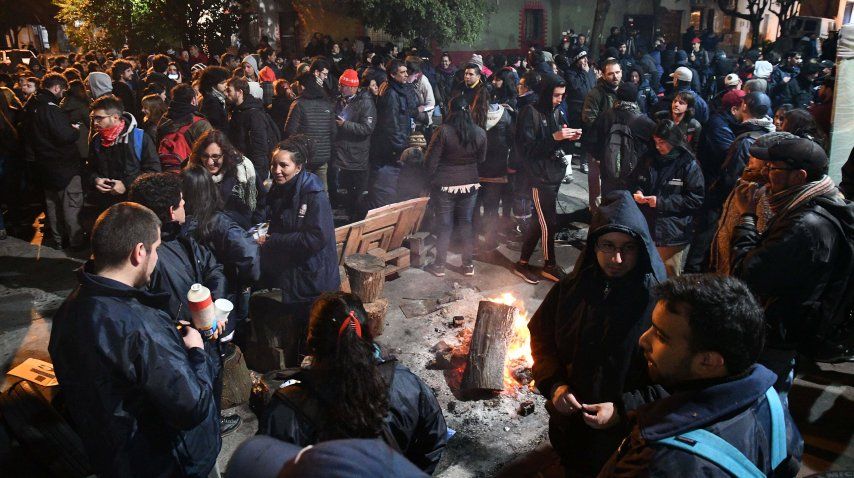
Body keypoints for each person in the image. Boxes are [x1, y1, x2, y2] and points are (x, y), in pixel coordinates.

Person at [48, 202, 221, 477]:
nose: (157, 258)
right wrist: (197, 352)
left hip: (111, 458)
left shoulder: (68, 310)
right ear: (140, 252)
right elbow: (191, 406)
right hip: (166, 463)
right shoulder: (140, 324)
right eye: (157, 248)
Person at [591, 275, 803, 477]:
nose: (643, 340)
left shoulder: (660, 463)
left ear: (707, 362)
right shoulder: (771, 404)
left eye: (661, 336)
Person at [529, 190, 666, 477]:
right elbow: (542, 341)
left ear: (641, 248)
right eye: (607, 245)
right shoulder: (570, 289)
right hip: (570, 425)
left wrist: (622, 409)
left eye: (627, 247)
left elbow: (672, 382)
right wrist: (555, 385)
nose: (616, 258)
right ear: (593, 245)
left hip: (626, 438)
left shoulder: (659, 306)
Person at [257, 292, 448, 474]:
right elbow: (433, 441)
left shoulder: (287, 411)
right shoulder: (407, 385)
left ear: (311, 341)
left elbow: (264, 469)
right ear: (368, 333)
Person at [729, 136, 854, 387]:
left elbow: (748, 273)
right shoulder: (821, 203)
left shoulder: (805, 224)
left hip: (780, 329)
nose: (765, 173)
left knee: (764, 390)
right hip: (794, 325)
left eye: (774, 169)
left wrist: (747, 218)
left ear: (799, 176)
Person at [257, 135, 340, 365]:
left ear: (298, 167)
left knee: (313, 330)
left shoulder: (313, 195)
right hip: (294, 274)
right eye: (274, 164)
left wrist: (272, 241)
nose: (277, 170)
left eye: (284, 165)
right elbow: (269, 214)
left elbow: (315, 237)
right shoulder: (279, 189)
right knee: (298, 327)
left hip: (313, 276)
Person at [515, 74, 582, 284]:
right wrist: (554, 138)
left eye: (562, 95)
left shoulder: (558, 111)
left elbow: (558, 142)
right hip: (538, 178)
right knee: (548, 223)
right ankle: (549, 265)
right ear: (545, 94)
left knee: (539, 222)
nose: (560, 99)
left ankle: (523, 263)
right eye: (556, 95)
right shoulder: (529, 113)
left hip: (553, 175)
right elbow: (526, 149)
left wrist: (569, 137)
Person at [181, 164, 260, 338]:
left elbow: (249, 253)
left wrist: (242, 280)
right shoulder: (212, 221)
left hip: (216, 298)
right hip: (213, 297)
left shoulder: (217, 223)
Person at [423, 95, 487, 277]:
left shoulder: (443, 131)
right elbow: (481, 158)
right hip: (470, 184)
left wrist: (428, 180)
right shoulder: (480, 132)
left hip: (445, 185)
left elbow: (430, 162)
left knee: (445, 225)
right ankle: (467, 265)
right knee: (466, 223)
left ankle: (439, 266)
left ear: (450, 111)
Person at [630, 120, 704, 277]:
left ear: (673, 141)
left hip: (672, 233)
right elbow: (637, 179)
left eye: (662, 142)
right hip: (646, 226)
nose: (658, 146)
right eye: (656, 142)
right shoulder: (649, 158)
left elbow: (695, 199)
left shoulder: (688, 165)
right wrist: (638, 190)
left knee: (669, 275)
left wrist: (660, 202)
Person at [710, 132, 789, 275]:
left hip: (740, 266)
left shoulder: (765, 192)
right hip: (729, 261)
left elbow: (758, 232)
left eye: (757, 156)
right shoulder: (747, 180)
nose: (750, 158)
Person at [21, 73, 84, 249]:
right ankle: (75, 240)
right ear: (57, 88)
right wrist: (74, 130)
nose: (62, 94)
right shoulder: (51, 108)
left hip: (43, 163)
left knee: (53, 204)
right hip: (63, 164)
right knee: (71, 203)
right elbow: (65, 135)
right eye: (62, 90)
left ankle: (58, 239)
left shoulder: (31, 105)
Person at [86, 94, 161, 213]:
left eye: (99, 118)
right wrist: (95, 180)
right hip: (105, 205)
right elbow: (90, 168)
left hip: (135, 205)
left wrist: (126, 184)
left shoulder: (140, 137)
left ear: (115, 117)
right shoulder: (97, 139)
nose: (95, 122)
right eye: (93, 118)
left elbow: (154, 171)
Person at [591, 82, 652, 196]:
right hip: (633, 173)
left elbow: (594, 141)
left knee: (608, 205)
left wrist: (600, 159)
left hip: (608, 171)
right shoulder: (643, 121)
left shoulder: (605, 116)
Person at [471, 89, 513, 253]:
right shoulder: (506, 115)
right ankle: (490, 239)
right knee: (492, 207)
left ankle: (473, 240)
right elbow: (510, 139)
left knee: (474, 207)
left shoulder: (473, 114)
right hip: (496, 169)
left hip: (476, 168)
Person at [285, 61, 337, 191]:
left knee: (303, 189)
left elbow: (289, 131)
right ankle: (324, 210)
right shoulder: (327, 104)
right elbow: (333, 131)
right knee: (322, 189)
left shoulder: (298, 104)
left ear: (303, 87)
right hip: (323, 156)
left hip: (304, 156)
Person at [334, 68, 376, 222]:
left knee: (356, 194)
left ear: (352, 87)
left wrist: (345, 124)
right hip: (343, 155)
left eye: (342, 85)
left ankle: (357, 222)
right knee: (346, 193)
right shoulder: (339, 100)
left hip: (357, 156)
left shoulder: (365, 103)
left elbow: (367, 128)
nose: (339, 88)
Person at [226, 76, 280, 185]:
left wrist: (257, 176)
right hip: (242, 167)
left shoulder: (254, 115)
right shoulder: (238, 111)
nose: (226, 94)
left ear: (239, 92)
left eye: (229, 91)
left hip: (253, 171)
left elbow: (260, 147)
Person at [582, 59, 621, 202]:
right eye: (611, 74)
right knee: (596, 186)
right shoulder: (595, 94)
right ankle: (595, 216)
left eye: (617, 72)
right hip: (599, 145)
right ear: (603, 75)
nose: (615, 76)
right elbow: (589, 120)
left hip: (619, 145)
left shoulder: (624, 91)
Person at [156, 83, 213, 172]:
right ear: (193, 100)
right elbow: (211, 149)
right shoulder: (200, 123)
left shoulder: (164, 119)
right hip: (193, 174)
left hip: (168, 170)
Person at [371, 59, 413, 169]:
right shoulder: (391, 94)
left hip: (399, 142)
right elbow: (391, 123)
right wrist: (400, 147)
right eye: (402, 72)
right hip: (393, 146)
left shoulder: (399, 90)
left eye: (406, 71)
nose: (406, 75)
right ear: (393, 75)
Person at [198, 66, 231, 131]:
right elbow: (216, 125)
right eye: (222, 83)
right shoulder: (211, 102)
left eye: (226, 82)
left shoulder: (218, 98)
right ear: (212, 84)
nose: (226, 85)